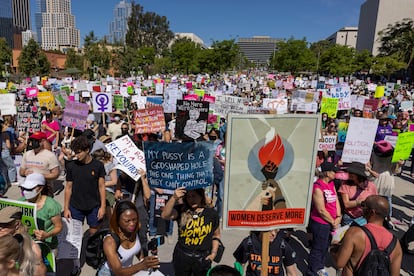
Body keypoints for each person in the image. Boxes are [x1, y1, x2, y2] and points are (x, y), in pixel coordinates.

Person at [330, 195, 402, 275]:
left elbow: (339, 263)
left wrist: (333, 248)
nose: (362, 208)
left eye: (364, 205)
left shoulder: (355, 233)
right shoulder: (395, 243)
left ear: (372, 212)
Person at [161, 187, 220, 276]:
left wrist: (213, 254)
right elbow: (165, 215)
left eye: (194, 196)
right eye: (188, 197)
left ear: (201, 196)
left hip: (202, 257)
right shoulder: (181, 210)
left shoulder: (211, 213)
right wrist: (174, 198)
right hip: (182, 255)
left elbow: (216, 235)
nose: (191, 199)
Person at [97, 200, 160, 276]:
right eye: (127, 221)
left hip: (129, 272)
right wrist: (142, 265)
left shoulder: (136, 228)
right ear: (117, 221)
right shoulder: (110, 241)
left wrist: (146, 261)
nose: (132, 224)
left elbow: (138, 249)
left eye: (134, 219)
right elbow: (118, 272)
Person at [63, 135, 106, 236]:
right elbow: (68, 188)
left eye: (79, 152)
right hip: (75, 206)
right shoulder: (71, 166)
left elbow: (101, 187)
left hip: (94, 205)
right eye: (75, 152)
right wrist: (66, 208)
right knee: (75, 234)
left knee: (93, 233)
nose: (77, 156)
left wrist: (103, 207)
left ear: (87, 150)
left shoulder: (98, 166)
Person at [307, 162, 341, 276]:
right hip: (321, 223)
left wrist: (339, 216)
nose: (335, 173)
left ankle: (319, 267)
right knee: (318, 248)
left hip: (331, 222)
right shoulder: (318, 187)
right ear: (327, 173)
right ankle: (312, 271)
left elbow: (336, 200)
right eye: (333, 171)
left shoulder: (331, 183)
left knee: (325, 247)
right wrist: (333, 221)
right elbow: (321, 210)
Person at [19, 173, 62, 251]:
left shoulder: (51, 205)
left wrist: (47, 235)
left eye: (29, 189)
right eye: (23, 188)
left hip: (47, 246)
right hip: (28, 244)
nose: (25, 192)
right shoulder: (21, 202)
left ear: (40, 188)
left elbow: (59, 227)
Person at [0, 206, 46, 275]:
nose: (0, 228)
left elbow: (40, 271)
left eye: (5, 225)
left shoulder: (32, 248)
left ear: (17, 225)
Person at [233, 229, 298, 276]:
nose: (273, 234)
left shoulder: (282, 245)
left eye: (276, 230)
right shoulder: (249, 243)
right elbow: (239, 267)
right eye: (269, 230)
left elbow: (291, 272)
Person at [19, 131, 60, 197]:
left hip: (44, 188)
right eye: (32, 140)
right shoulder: (27, 154)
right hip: (28, 187)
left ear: (43, 141)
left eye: (36, 140)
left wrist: (40, 175)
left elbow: (55, 174)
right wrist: (24, 173)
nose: (33, 142)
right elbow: (21, 171)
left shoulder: (50, 156)